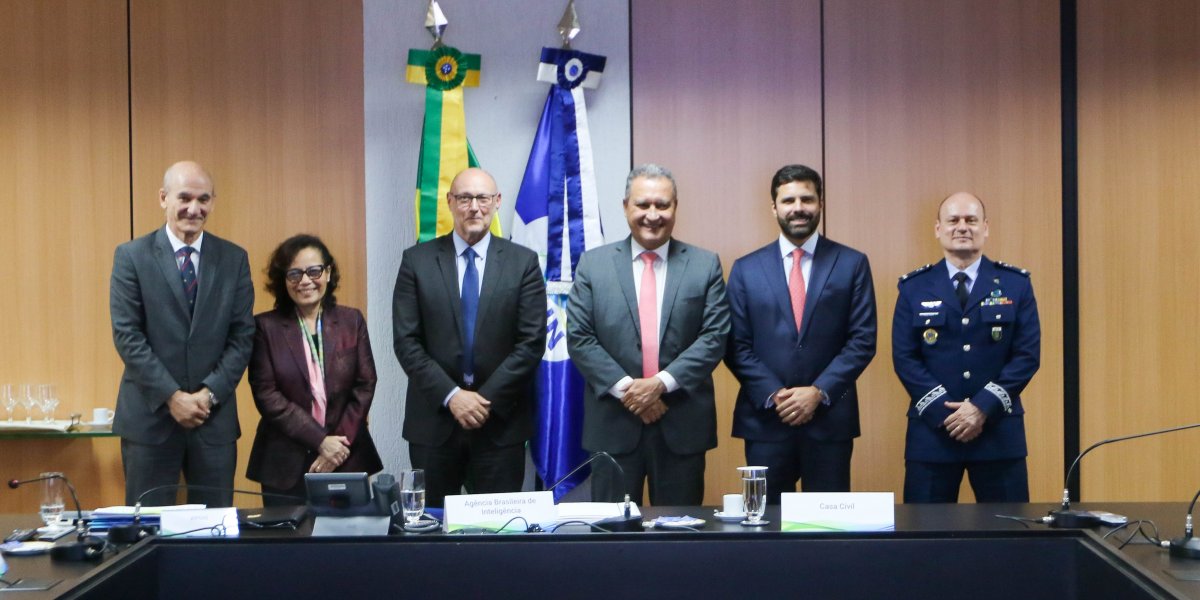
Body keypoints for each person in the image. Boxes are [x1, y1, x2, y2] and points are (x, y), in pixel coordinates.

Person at [566, 164, 730, 506]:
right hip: (613, 424)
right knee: (611, 537)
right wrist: (631, 392)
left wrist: (658, 385)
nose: (652, 215)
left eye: (662, 205)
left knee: (679, 537)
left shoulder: (705, 264)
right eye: (643, 205)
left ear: (675, 207)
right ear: (625, 206)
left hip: (680, 423)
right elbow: (580, 338)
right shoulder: (593, 265)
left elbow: (714, 336)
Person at [392, 167, 546, 508]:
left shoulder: (523, 263)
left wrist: (483, 399)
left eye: (482, 198)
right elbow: (407, 342)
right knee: (429, 532)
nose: (474, 207)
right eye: (464, 198)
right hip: (434, 424)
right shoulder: (416, 261)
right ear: (450, 202)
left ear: (496, 202)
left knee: (498, 539)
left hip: (500, 425)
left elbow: (531, 342)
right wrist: (453, 397)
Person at [725, 164, 877, 502]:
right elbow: (735, 345)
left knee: (827, 531)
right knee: (764, 527)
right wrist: (775, 394)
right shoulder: (745, 269)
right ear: (774, 207)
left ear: (820, 203)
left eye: (806, 199)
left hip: (829, 421)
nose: (798, 208)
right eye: (788, 199)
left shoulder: (851, 263)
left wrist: (818, 392)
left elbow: (863, 340)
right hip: (765, 420)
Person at [109, 161, 254, 507]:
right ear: (163, 198)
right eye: (184, 197)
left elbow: (242, 336)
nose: (194, 208)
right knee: (146, 534)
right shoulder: (131, 257)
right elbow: (128, 335)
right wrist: (173, 397)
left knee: (215, 534)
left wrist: (208, 395)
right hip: (150, 421)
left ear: (213, 202)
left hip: (212, 421)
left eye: (203, 199)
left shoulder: (233, 259)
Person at [893, 192, 1041, 503]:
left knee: (1008, 536)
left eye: (971, 220)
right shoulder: (913, 287)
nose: (962, 227)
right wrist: (948, 415)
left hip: (998, 432)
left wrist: (981, 408)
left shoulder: (1016, 284)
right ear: (938, 229)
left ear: (985, 228)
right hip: (933, 433)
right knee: (925, 538)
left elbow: (1027, 356)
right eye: (953, 220)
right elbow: (905, 358)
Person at [246, 235, 383, 506]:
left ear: (328, 273)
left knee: (347, 543)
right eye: (294, 274)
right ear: (283, 280)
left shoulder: (350, 320)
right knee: (288, 546)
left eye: (314, 271)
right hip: (285, 462)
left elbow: (365, 383)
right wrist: (321, 440)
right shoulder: (265, 327)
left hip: (346, 456)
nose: (305, 281)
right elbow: (267, 394)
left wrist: (336, 447)